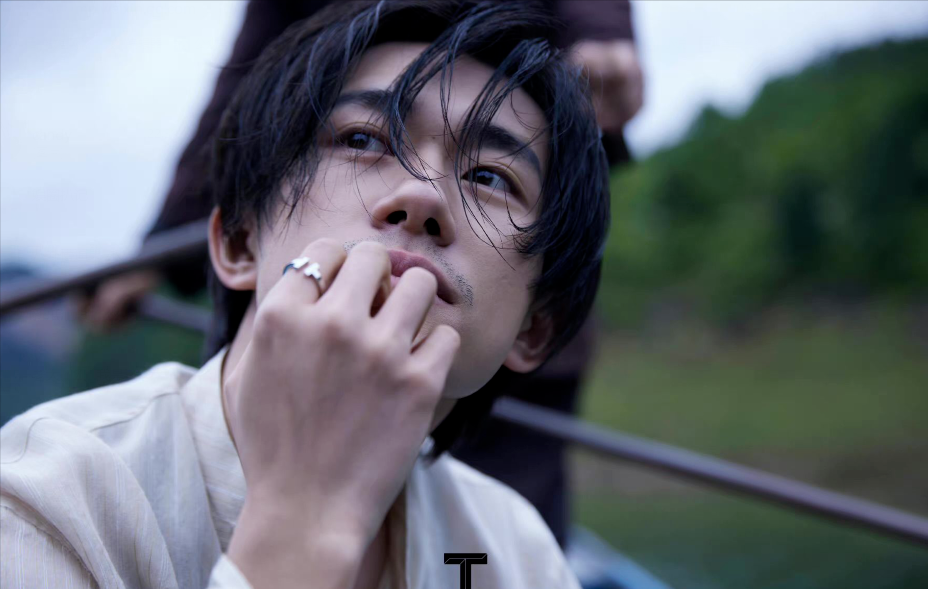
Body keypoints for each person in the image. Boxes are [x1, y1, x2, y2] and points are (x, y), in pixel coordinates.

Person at [1, 1, 611, 587]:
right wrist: (307, 520)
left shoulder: (512, 554)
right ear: (240, 242)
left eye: (489, 177)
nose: (423, 194)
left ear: (535, 327)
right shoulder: (44, 507)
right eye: (362, 140)